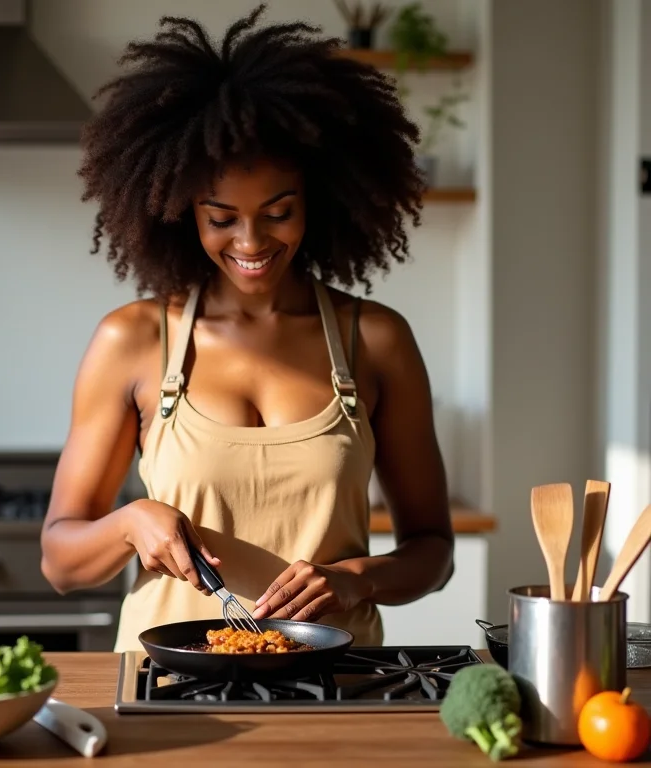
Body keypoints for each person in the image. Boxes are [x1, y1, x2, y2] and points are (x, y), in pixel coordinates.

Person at [40, 4, 454, 650]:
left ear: (317, 198)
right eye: (222, 217)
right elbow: (59, 561)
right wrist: (130, 523)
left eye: (278, 212)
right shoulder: (135, 341)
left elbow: (433, 551)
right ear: (181, 211)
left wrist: (354, 579)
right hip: (170, 689)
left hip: (336, 686)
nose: (251, 241)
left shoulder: (375, 340)